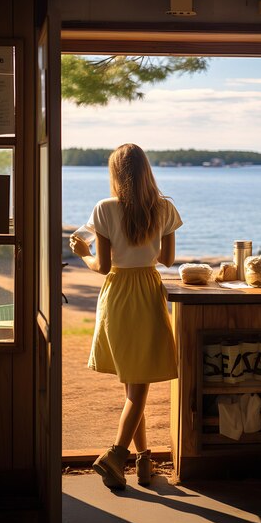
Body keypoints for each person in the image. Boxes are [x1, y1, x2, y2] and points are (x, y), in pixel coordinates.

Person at [69, 143, 182, 489]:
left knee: (134, 387)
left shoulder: (104, 208)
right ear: (147, 170)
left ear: (116, 174)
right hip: (147, 292)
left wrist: (83, 253)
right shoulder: (164, 208)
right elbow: (167, 260)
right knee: (138, 386)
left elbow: (102, 267)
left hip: (117, 295)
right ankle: (130, 460)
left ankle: (125, 457)